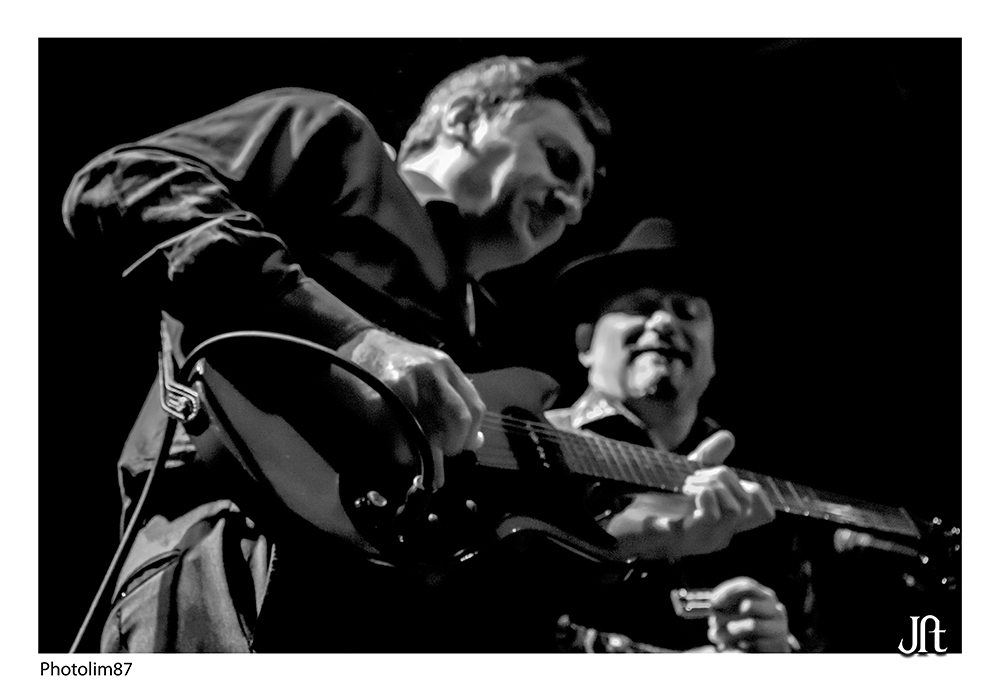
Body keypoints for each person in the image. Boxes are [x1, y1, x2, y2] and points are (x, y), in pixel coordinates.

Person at [62, 56, 772, 652]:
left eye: (583, 198)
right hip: (230, 572)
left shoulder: (496, 346)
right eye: (558, 162)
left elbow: (501, 545)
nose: (569, 204)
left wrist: (651, 535)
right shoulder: (339, 140)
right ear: (465, 119)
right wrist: (353, 339)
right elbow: (128, 183)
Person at [545, 217, 805, 652]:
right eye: (642, 306)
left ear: (714, 357)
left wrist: (777, 648)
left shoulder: (754, 493)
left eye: (688, 312)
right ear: (586, 343)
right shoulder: (536, 444)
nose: (665, 322)